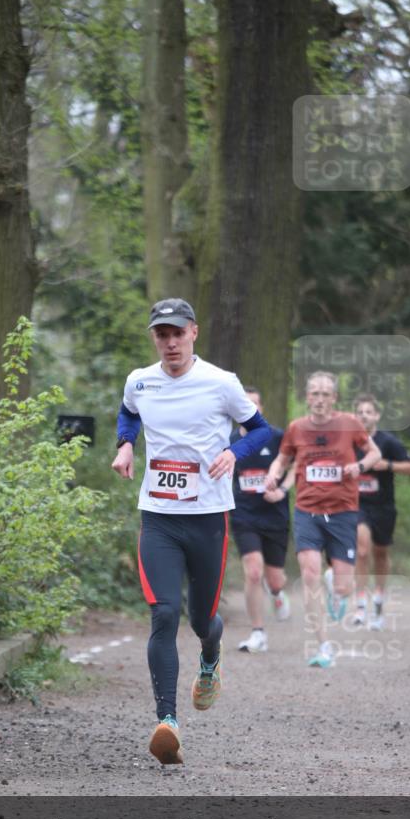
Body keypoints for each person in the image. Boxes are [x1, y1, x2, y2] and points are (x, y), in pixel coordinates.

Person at [111, 298, 271, 764]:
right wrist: (125, 445)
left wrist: (235, 452)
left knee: (201, 620)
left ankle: (210, 655)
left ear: (193, 333)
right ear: (154, 338)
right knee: (163, 614)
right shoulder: (140, 380)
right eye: (162, 334)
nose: (170, 342)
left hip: (207, 519)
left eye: (177, 333)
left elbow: (261, 430)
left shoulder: (221, 383)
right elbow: (129, 413)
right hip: (158, 517)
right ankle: (168, 723)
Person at [264, 371, 381, 668]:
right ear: (307, 397)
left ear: (334, 399)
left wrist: (359, 465)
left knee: (343, 586)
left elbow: (374, 452)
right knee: (309, 573)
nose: (319, 399)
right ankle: (324, 645)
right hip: (307, 511)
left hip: (343, 512)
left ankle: (337, 585)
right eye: (314, 393)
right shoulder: (296, 428)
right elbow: (283, 458)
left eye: (325, 394)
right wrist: (273, 474)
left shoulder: (349, 424)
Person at [230, 387, 294, 654]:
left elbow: (297, 466)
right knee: (253, 571)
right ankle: (258, 632)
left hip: (275, 515)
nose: (251, 408)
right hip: (244, 514)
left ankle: (277, 592)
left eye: (255, 404)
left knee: (275, 579)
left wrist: (283, 490)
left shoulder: (277, 436)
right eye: (245, 404)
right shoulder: (229, 439)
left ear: (262, 408)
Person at [353, 393, 410, 629]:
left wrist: (387, 465)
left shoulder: (389, 442)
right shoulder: (351, 442)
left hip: (384, 507)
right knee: (361, 550)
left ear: (377, 416)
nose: (364, 416)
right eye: (360, 412)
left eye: (368, 411)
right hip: (358, 505)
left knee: (380, 553)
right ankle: (360, 604)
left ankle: (379, 600)